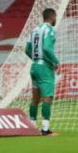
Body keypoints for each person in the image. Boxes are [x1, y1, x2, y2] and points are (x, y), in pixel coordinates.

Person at [25, 8, 59, 136]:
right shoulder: (49, 29)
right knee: (47, 98)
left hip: (34, 67)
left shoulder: (35, 29)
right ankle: (45, 129)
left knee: (35, 99)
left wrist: (36, 59)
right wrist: (55, 61)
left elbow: (27, 49)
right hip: (44, 68)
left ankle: (32, 127)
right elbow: (46, 48)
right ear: (53, 17)